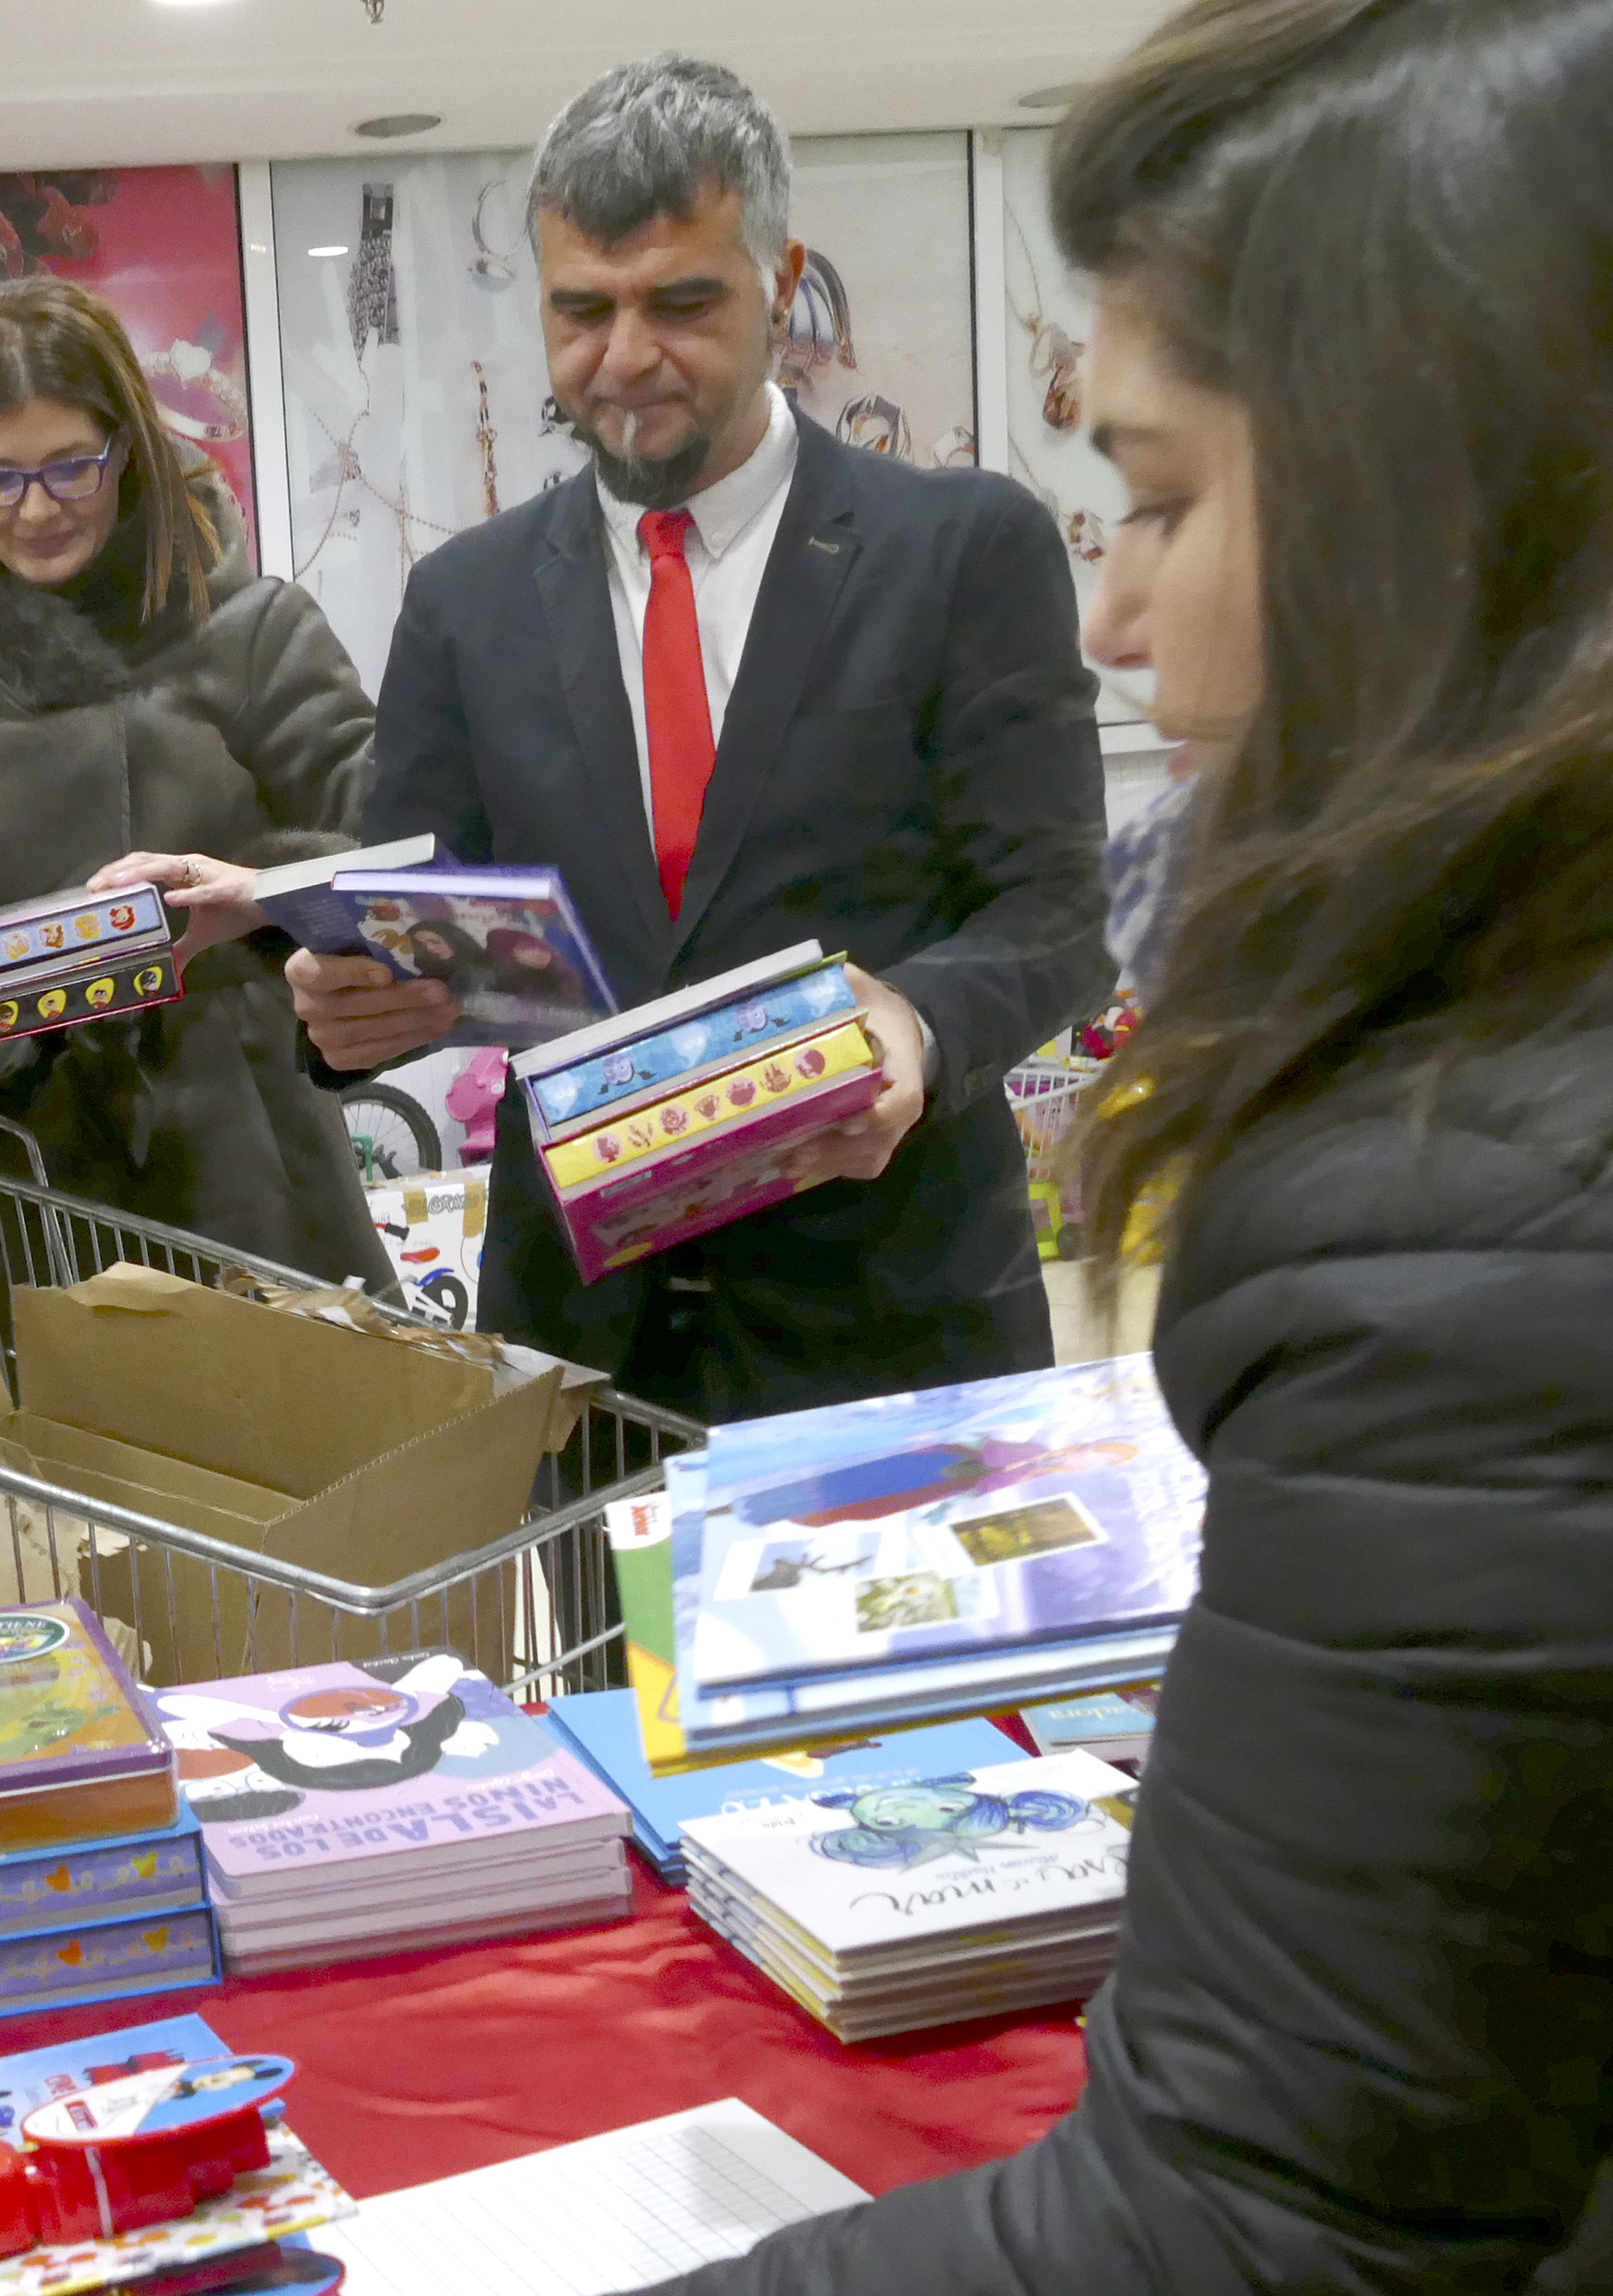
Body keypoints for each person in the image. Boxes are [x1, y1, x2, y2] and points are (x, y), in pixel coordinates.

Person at [632, 0, 1613, 2286]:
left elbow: (1263, 2226)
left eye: (1166, 502)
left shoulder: (1464, 1246)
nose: (1122, 614)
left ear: (1433, 516)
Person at [294, 56, 1109, 1420]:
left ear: (780, 281)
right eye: (581, 311)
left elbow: (1058, 913)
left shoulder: (961, 550)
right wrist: (341, 1003)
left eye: (681, 303)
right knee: (615, 1654)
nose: (623, 359)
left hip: (898, 1336)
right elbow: (427, 922)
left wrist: (910, 1023)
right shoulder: (466, 601)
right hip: (594, 1362)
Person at [0, 278, 386, 1285]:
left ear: (131, 451)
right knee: (64, 1439)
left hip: (260, 1177)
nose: (37, 509)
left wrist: (255, 893)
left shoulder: (253, 632)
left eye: (71, 468)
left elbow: (391, 844)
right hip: (22, 1191)